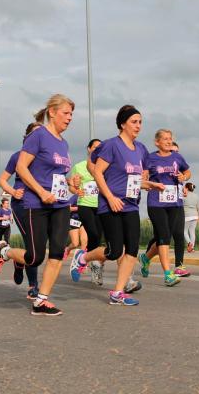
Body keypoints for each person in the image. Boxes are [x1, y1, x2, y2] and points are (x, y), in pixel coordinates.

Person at [0, 94, 76, 316]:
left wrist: (70, 183)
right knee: (35, 257)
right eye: (66, 113)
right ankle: (5, 251)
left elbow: (56, 175)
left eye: (72, 114)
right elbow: (22, 168)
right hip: (34, 203)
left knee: (57, 252)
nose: (70, 118)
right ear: (52, 112)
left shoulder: (63, 144)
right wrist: (41, 192)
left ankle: (41, 300)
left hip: (59, 204)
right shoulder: (38, 137)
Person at [69, 105, 164, 306]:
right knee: (114, 252)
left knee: (131, 249)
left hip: (130, 204)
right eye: (134, 122)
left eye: (140, 122)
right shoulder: (112, 145)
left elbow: (136, 178)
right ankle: (82, 257)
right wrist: (110, 197)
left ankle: (117, 293)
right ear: (122, 124)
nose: (138, 126)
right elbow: (97, 172)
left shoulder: (141, 149)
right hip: (109, 204)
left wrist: (150, 184)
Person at [138, 129, 191, 285]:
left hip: (174, 203)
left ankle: (145, 258)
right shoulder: (150, 158)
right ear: (157, 142)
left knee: (165, 237)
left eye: (170, 139)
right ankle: (168, 274)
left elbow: (187, 171)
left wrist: (184, 177)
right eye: (165, 139)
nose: (169, 141)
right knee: (164, 236)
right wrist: (147, 184)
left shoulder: (177, 157)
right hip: (156, 203)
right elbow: (144, 176)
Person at [0, 122, 41, 298]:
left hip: (41, 205)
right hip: (22, 204)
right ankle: (33, 286)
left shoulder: (46, 158)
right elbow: (2, 180)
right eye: (37, 134)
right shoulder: (18, 156)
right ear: (28, 138)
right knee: (33, 246)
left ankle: (18, 259)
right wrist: (13, 191)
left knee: (38, 246)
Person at [68, 139, 106, 286]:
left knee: (99, 239)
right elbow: (72, 187)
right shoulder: (79, 166)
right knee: (93, 234)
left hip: (101, 206)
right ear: (89, 149)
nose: (97, 149)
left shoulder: (105, 166)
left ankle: (90, 262)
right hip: (85, 205)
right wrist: (76, 190)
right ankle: (91, 263)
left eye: (100, 148)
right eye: (95, 147)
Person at [183, 182, 199, 253]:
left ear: (186, 188)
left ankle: (189, 243)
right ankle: (192, 248)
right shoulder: (196, 196)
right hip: (195, 215)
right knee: (192, 232)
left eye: (184, 187)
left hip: (187, 215)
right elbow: (198, 207)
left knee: (184, 231)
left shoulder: (184, 195)